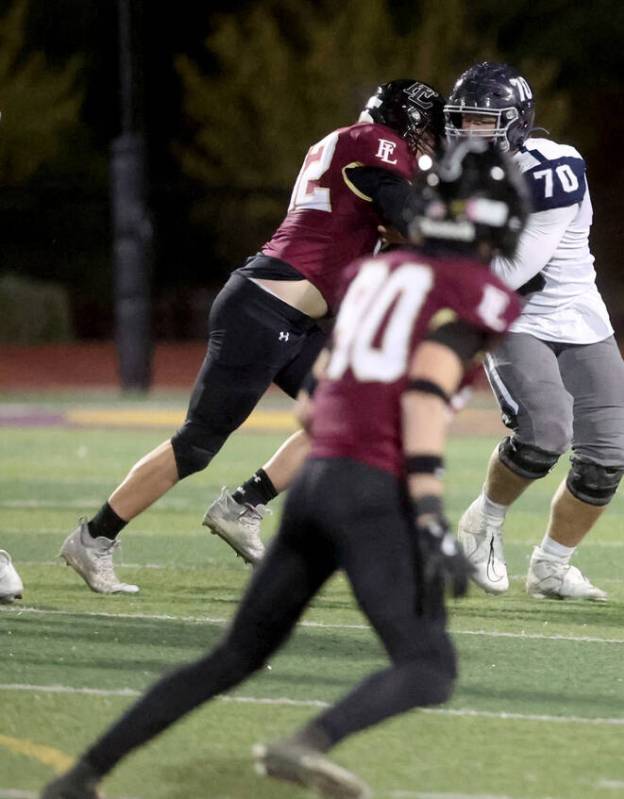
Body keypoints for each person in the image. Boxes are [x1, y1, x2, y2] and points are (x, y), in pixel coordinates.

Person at [40, 139, 529, 799]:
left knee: (231, 657)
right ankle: (307, 742)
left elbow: (319, 402)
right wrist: (428, 512)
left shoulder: (370, 276)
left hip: (319, 483)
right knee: (428, 666)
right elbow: (422, 396)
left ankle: (81, 775)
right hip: (372, 490)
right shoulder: (479, 293)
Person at [58, 79, 444, 593]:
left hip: (287, 316)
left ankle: (243, 506)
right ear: (405, 122)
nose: (427, 144)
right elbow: (407, 219)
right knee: (196, 445)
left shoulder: (352, 149)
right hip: (263, 310)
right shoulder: (377, 143)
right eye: (425, 131)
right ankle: (93, 537)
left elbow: (389, 227)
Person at [444, 62, 624, 602]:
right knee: (545, 432)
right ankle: (484, 522)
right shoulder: (446, 174)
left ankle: (552, 566)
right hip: (512, 322)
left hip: (575, 315)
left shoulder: (555, 168)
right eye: (463, 121)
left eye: (485, 121)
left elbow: (511, 272)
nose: (470, 133)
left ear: (516, 123)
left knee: (607, 457)